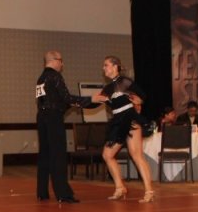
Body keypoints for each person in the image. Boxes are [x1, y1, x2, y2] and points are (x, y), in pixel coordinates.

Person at [92, 56, 155, 203]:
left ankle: (149, 191)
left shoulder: (125, 81)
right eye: (104, 65)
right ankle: (120, 188)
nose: (104, 68)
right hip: (117, 122)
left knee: (137, 155)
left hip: (131, 119)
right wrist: (82, 101)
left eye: (106, 65)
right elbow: (95, 103)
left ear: (115, 67)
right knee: (107, 154)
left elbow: (142, 96)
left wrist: (139, 100)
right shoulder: (107, 88)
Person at [35, 50, 87, 203]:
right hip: (53, 118)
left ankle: (42, 192)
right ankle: (63, 194)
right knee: (58, 154)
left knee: (44, 154)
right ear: (54, 60)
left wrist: (71, 104)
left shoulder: (41, 78)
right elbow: (66, 98)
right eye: (61, 60)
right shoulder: (55, 76)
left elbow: (51, 101)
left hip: (42, 118)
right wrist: (87, 100)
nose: (62, 64)